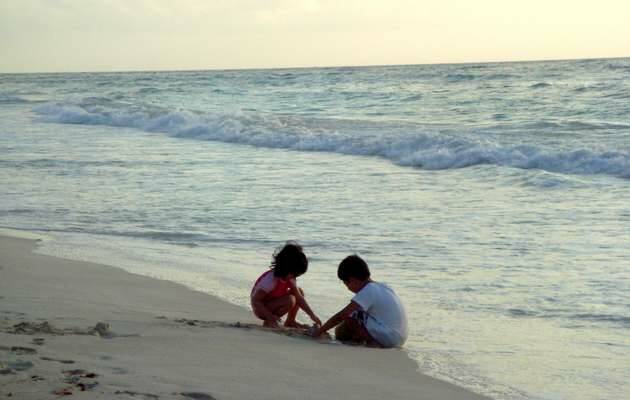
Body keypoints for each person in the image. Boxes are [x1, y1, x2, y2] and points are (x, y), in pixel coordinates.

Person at [310, 254, 408, 348]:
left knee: (350, 317)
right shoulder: (383, 287)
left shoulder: (369, 290)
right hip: (400, 338)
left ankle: (372, 343)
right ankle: (365, 340)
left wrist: (319, 331)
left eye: (346, 284)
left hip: (390, 337)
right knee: (356, 315)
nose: (348, 288)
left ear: (352, 280)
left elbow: (342, 315)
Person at [250, 241, 321, 329]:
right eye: (294, 274)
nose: (295, 277)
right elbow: (255, 301)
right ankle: (270, 321)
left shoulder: (290, 278)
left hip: (273, 302)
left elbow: (299, 298)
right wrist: (269, 316)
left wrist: (312, 315)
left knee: (299, 292)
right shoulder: (270, 280)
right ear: (285, 268)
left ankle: (290, 321)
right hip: (261, 308)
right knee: (290, 299)